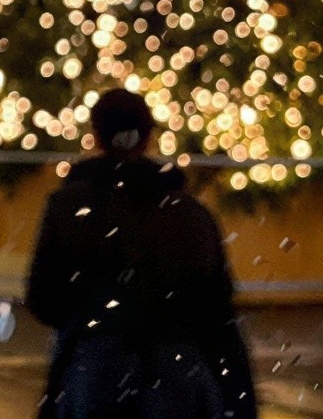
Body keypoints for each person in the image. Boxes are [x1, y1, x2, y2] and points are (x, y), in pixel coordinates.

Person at [25, 90, 255, 419]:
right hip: (178, 372)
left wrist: (93, 314)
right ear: (148, 137)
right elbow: (217, 305)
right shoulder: (190, 212)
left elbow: (42, 297)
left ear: (96, 135)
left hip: (94, 368)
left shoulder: (69, 207)